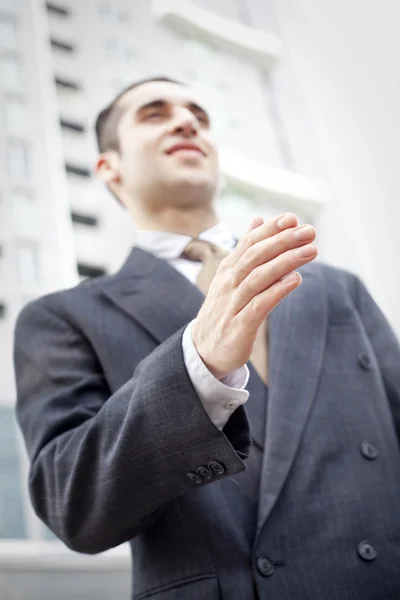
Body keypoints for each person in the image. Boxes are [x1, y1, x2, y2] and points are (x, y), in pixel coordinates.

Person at [14, 76, 400, 600]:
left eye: (197, 113)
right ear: (110, 165)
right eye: (154, 113)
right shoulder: (64, 316)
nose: (186, 120)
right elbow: (72, 506)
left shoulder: (336, 288)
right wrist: (196, 366)